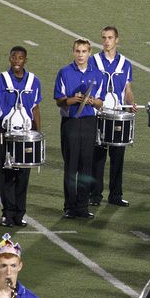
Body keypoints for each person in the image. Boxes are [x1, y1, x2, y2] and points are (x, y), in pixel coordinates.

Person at [0, 46, 42, 227]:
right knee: (7, 172)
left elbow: (35, 109)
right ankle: (7, 213)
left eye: (20, 58)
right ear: (9, 59)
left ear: (26, 60)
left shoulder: (34, 81)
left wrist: (38, 134)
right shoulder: (0, 79)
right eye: (14, 57)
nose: (17, 61)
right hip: (5, 131)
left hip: (26, 132)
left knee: (24, 173)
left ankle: (20, 213)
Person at [54, 38, 105, 219]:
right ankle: (69, 206)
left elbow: (100, 102)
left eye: (84, 51)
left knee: (86, 166)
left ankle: (82, 206)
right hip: (71, 122)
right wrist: (72, 100)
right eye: (78, 51)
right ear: (73, 52)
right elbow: (59, 100)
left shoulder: (98, 74)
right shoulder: (65, 72)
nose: (81, 55)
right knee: (71, 165)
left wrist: (91, 101)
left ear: (89, 53)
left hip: (89, 121)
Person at [89, 27, 136, 208]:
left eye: (110, 38)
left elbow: (128, 89)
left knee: (118, 156)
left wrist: (131, 104)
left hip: (117, 114)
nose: (106, 41)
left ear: (117, 40)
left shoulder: (125, 63)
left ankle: (116, 195)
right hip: (98, 114)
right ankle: (95, 195)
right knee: (98, 157)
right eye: (104, 38)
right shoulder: (93, 61)